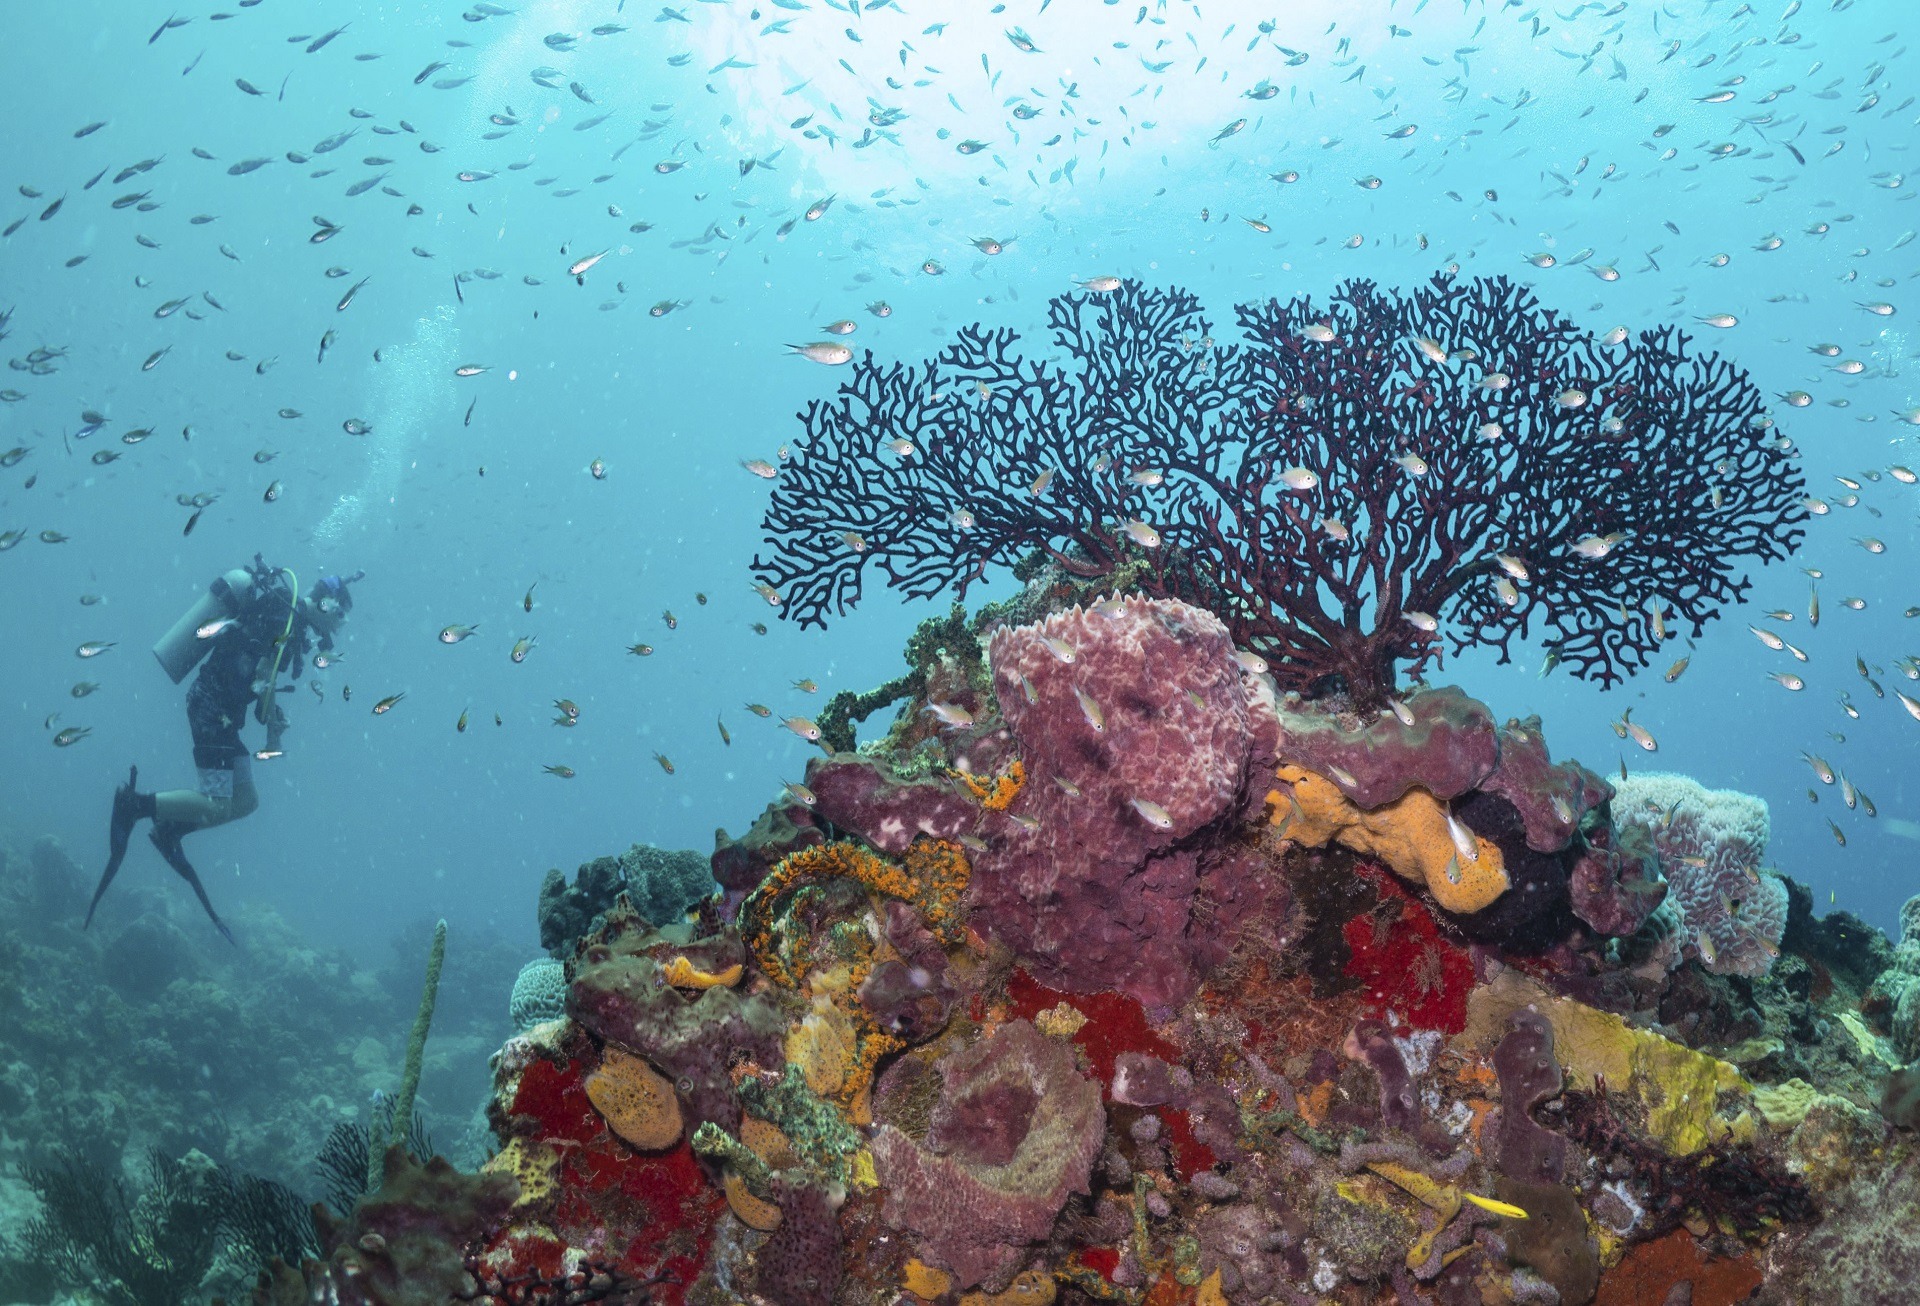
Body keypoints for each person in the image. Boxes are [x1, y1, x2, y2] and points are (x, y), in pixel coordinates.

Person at [86, 556, 361, 942]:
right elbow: (263, 682)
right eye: (342, 616)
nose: (341, 626)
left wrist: (269, 717)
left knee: (246, 801)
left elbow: (255, 677)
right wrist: (274, 732)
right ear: (329, 605)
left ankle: (169, 830)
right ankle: (136, 805)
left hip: (221, 713)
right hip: (211, 710)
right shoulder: (286, 619)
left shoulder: (287, 616)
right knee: (218, 802)